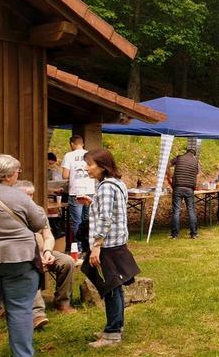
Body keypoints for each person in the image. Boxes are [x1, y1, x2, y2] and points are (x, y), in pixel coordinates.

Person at [0, 154, 48, 357]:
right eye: (17, 172)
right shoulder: (20, 197)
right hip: (19, 261)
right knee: (21, 310)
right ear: (9, 175)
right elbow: (39, 223)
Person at [80, 149, 139, 348]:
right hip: (116, 242)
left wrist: (96, 246)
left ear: (102, 166)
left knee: (110, 288)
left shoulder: (105, 187)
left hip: (107, 245)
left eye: (90, 164)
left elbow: (106, 218)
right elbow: (111, 211)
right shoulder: (117, 184)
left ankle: (112, 334)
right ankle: (114, 326)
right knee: (115, 287)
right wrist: (92, 202)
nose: (87, 168)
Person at [13, 180, 77, 332]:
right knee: (30, 267)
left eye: (31, 194)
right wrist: (35, 256)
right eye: (25, 195)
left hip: (43, 252)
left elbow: (48, 236)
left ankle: (62, 302)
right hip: (23, 257)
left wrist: (47, 252)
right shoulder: (12, 213)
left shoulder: (38, 211)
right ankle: (37, 314)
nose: (29, 198)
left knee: (67, 261)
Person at [61, 135, 91, 251]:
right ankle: (87, 246)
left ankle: (77, 248)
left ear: (72, 144)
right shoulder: (89, 154)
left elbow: (65, 175)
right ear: (82, 143)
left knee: (76, 221)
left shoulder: (68, 155)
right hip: (89, 190)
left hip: (76, 191)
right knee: (87, 219)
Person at [166, 148, 200, 239]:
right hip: (189, 188)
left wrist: (169, 176)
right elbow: (197, 174)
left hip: (178, 187)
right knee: (191, 211)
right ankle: (194, 234)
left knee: (176, 211)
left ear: (186, 152)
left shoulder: (179, 157)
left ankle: (175, 235)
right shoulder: (195, 162)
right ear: (194, 154)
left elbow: (167, 165)